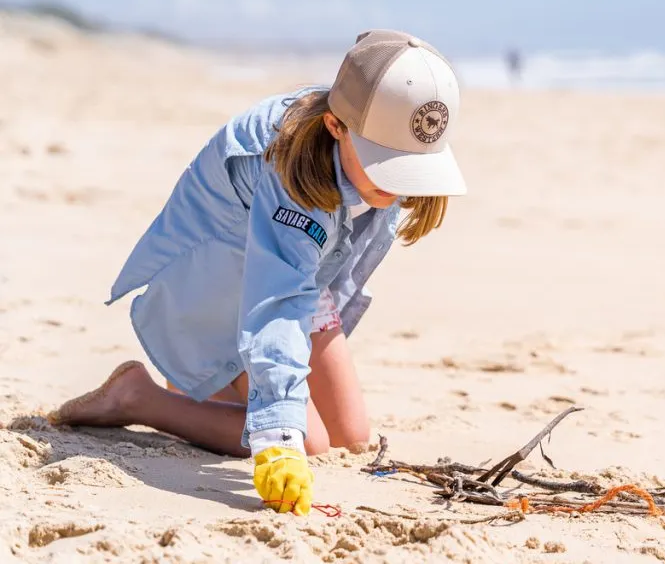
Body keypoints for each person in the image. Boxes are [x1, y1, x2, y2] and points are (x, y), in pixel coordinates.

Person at [47, 29, 467, 516]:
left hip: (299, 280)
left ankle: (201, 391)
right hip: (224, 291)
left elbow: (315, 273)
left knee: (351, 439)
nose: (396, 188)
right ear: (335, 126)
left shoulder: (369, 134)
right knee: (307, 443)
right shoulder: (289, 168)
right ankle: (139, 396)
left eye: (412, 169)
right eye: (387, 166)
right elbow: (276, 303)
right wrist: (278, 440)